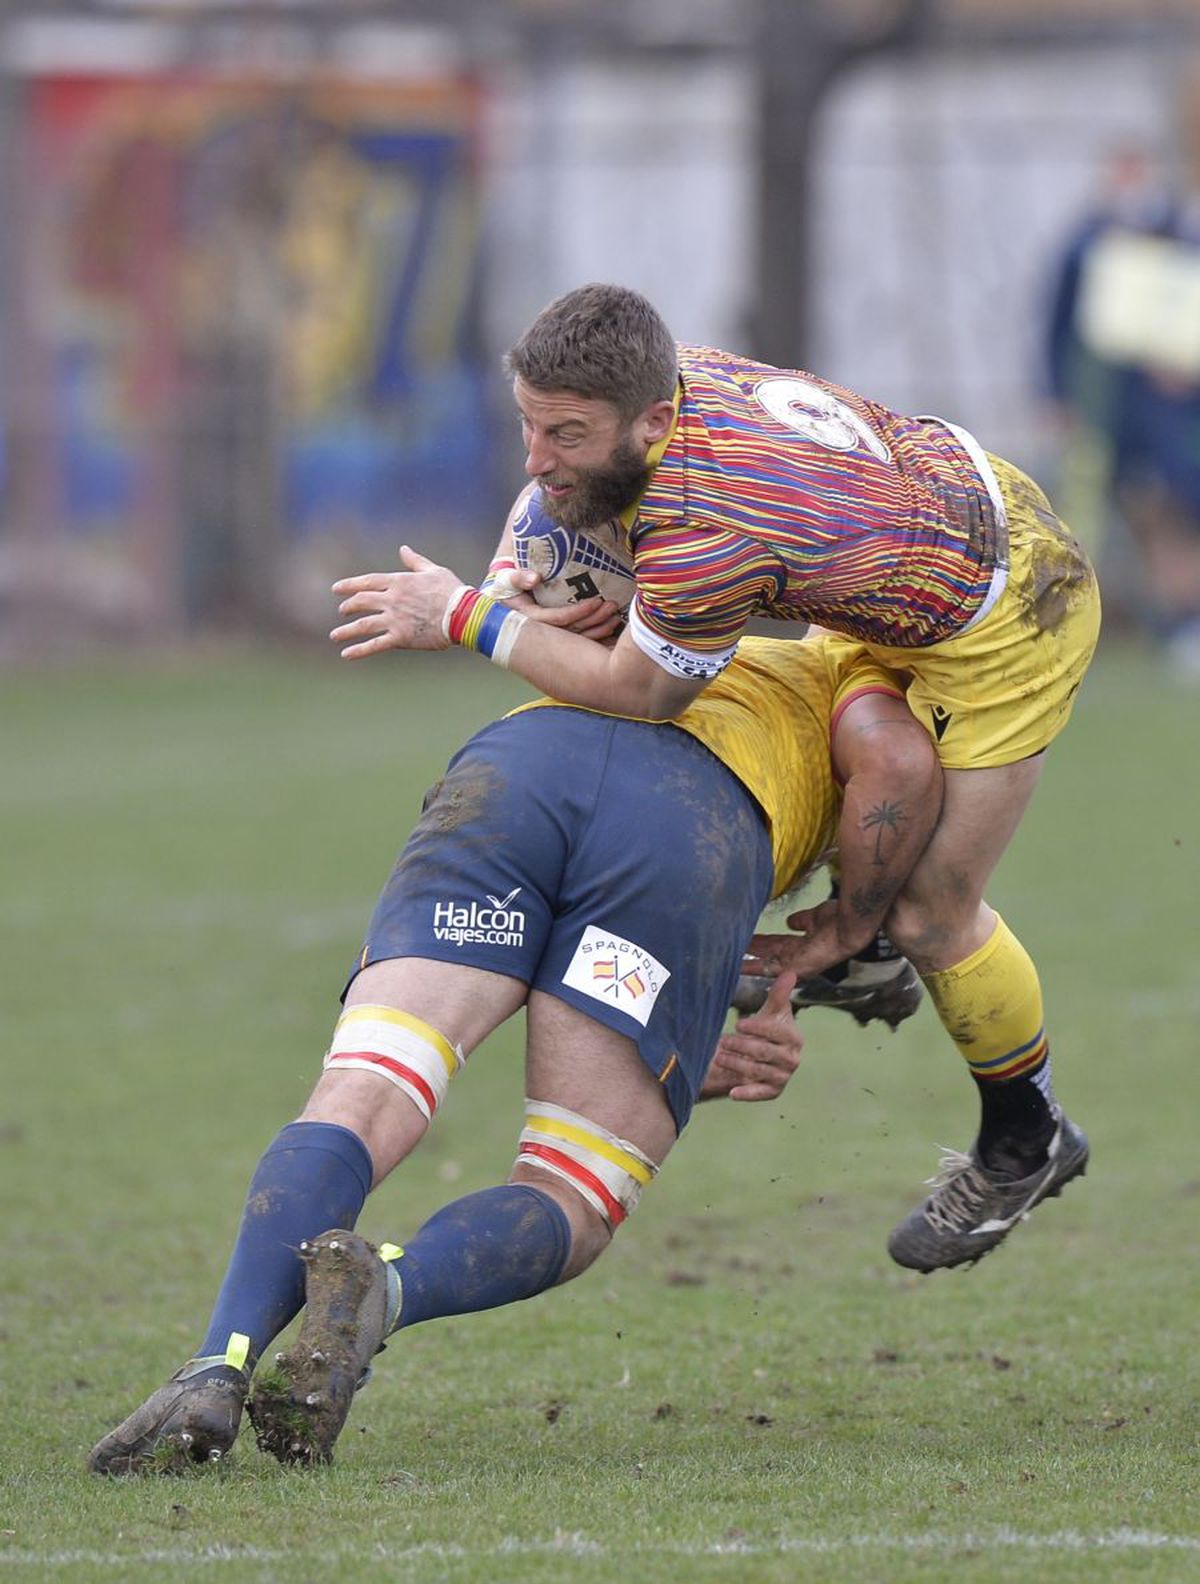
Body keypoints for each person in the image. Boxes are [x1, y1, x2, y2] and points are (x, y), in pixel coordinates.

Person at [327, 283, 1099, 1274]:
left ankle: (1027, 1138)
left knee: (932, 916)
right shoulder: (654, 373)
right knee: (884, 760)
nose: (536, 458)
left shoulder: (706, 523)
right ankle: (860, 954)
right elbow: (573, 510)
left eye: (563, 435)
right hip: (924, 535)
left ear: (650, 421)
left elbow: (642, 690)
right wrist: (519, 574)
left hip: (1014, 617)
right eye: (530, 425)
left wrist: (469, 616)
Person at [87, 632, 940, 1475]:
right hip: (687, 817)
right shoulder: (886, 685)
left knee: (366, 1090)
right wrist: (852, 927)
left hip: (520, 768)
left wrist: (691, 1045)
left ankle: (217, 1362)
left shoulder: (728, 631)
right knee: (574, 1182)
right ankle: (386, 1288)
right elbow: (893, 767)